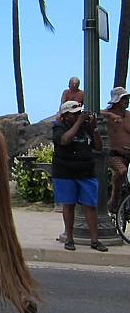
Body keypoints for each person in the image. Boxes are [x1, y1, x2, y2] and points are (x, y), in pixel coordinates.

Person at [52, 101, 107, 252]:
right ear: (65, 116)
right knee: (68, 205)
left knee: (91, 205)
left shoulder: (86, 128)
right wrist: (79, 123)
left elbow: (98, 147)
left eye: (79, 113)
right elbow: (64, 140)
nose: (78, 116)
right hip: (65, 171)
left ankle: (94, 240)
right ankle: (69, 238)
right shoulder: (58, 127)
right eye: (75, 114)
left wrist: (94, 127)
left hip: (85, 171)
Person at [100, 86, 130, 214]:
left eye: (127, 99)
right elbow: (92, 111)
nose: (127, 101)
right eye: (124, 99)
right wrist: (110, 115)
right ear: (117, 101)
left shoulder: (129, 115)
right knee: (121, 171)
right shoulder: (107, 114)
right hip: (114, 154)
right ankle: (114, 198)